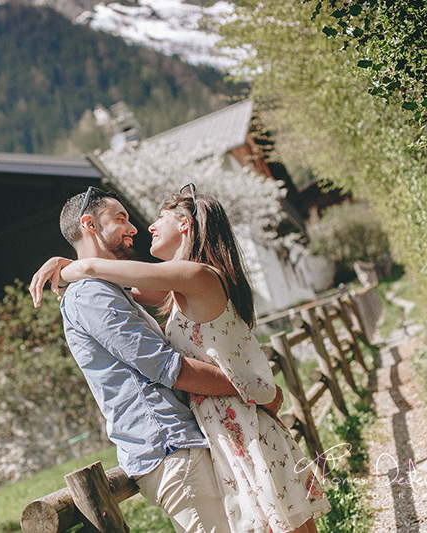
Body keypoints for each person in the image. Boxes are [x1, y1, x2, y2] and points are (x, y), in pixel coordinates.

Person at [31, 185, 330, 533]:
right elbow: (165, 365)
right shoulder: (97, 293)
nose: (141, 228)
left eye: (158, 219)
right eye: (121, 218)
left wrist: (68, 267)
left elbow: (100, 269)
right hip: (184, 442)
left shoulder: (192, 276)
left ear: (186, 226)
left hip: (229, 427)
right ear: (90, 224)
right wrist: (250, 388)